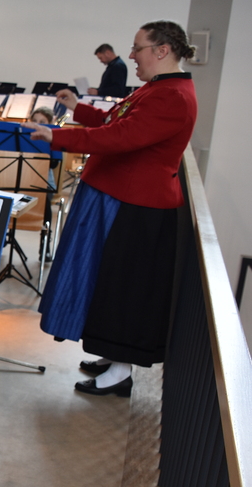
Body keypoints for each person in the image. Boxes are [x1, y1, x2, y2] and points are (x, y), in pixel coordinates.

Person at [26, 20, 198, 397]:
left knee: (123, 288)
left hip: (137, 208)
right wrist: (78, 108)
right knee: (107, 283)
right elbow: (113, 119)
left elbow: (122, 136)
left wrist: (59, 136)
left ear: (162, 50)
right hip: (121, 198)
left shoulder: (172, 96)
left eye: (138, 48)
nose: (131, 55)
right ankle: (111, 355)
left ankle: (121, 370)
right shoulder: (157, 88)